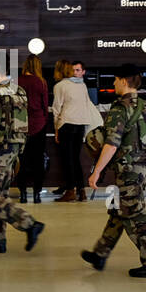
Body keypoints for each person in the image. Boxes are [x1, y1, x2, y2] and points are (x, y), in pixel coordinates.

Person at [82, 64, 146, 277]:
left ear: (124, 81)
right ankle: (100, 253)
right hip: (144, 167)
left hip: (128, 168)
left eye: (115, 79)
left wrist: (96, 171)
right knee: (119, 208)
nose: (113, 83)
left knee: (134, 213)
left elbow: (111, 143)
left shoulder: (120, 107)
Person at [0, 65, 44, 253]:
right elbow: (24, 121)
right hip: (15, 148)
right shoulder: (18, 90)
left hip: (0, 147)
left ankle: (29, 224)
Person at [52, 58, 102, 201]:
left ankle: (70, 191)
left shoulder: (60, 86)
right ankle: (81, 190)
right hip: (81, 125)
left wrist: (56, 129)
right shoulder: (82, 85)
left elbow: (56, 109)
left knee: (67, 160)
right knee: (75, 159)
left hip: (66, 124)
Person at [17, 55, 50, 204]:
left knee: (22, 161)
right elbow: (45, 105)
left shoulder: (17, 81)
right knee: (38, 161)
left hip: (21, 125)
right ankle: (37, 194)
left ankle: (23, 194)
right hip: (39, 124)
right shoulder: (41, 82)